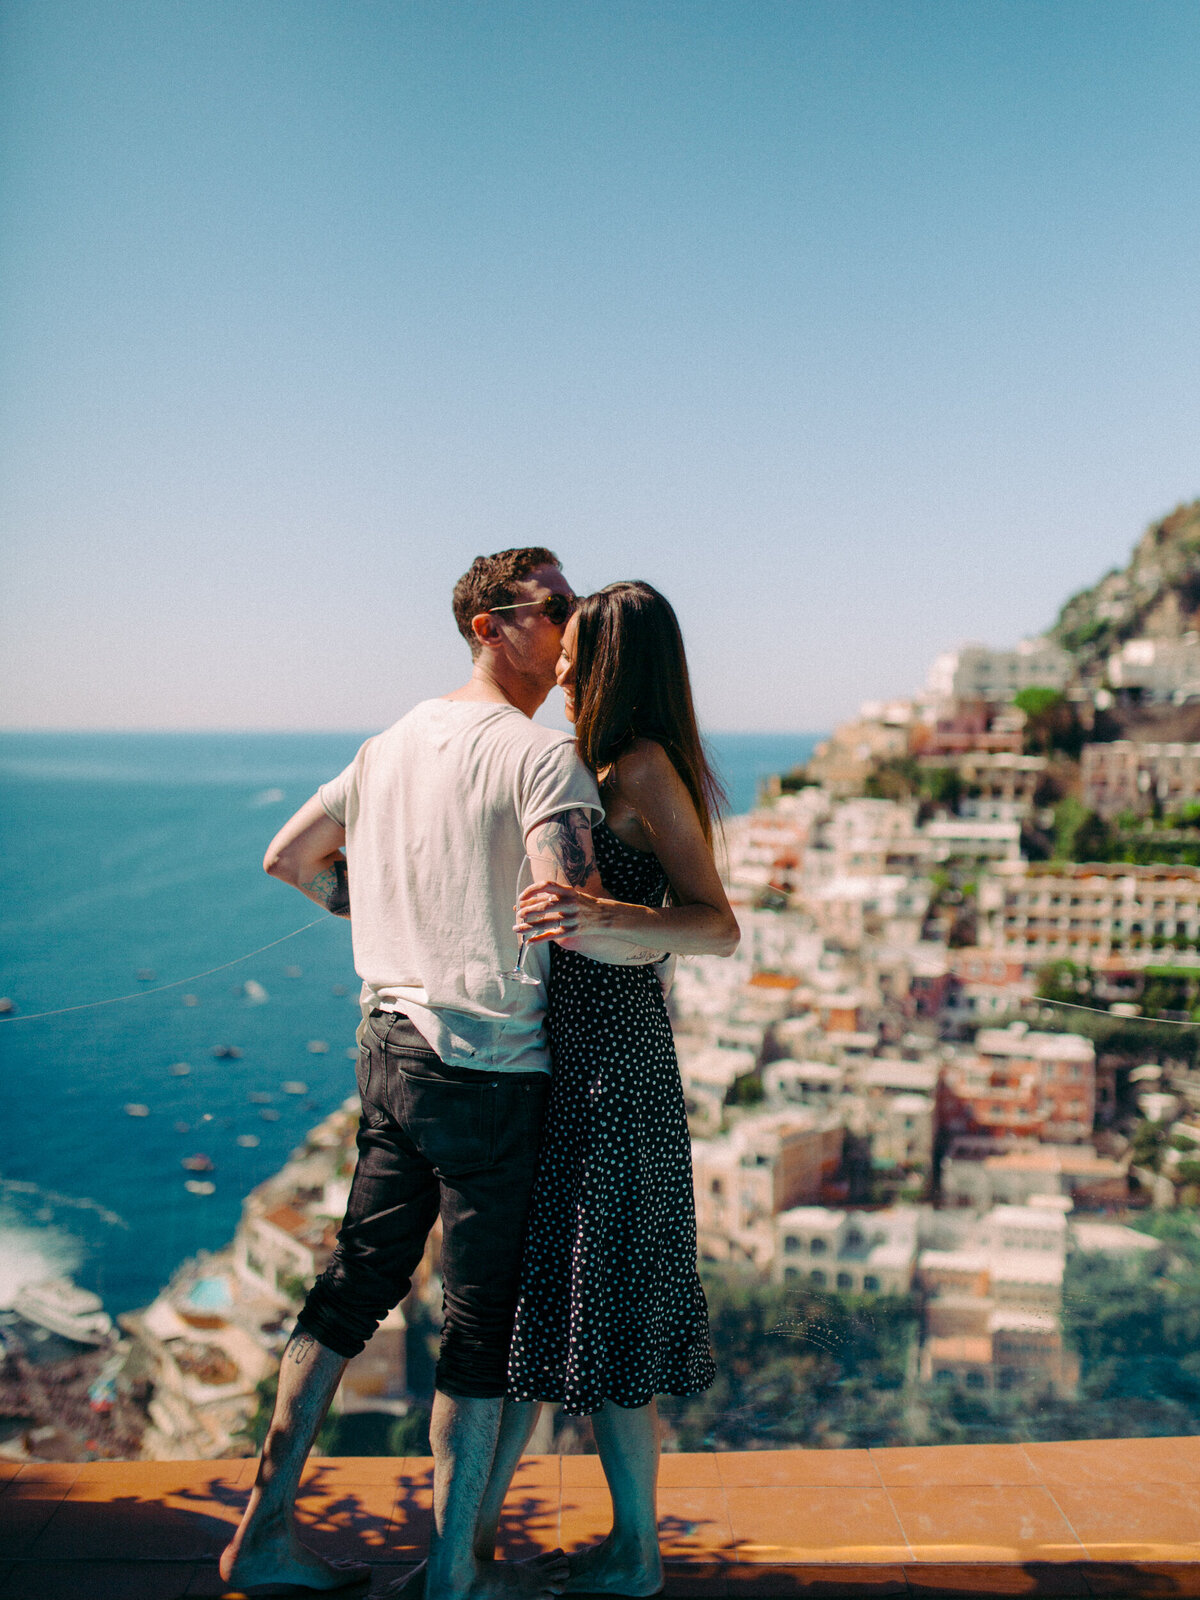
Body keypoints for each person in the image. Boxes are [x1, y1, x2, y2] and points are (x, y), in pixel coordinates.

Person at [220, 549, 658, 1600]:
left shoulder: (389, 745)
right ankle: (455, 1572)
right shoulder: (540, 758)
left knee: (350, 1292)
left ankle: (261, 1537)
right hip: (492, 1069)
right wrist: (661, 931)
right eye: (551, 608)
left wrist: (390, 915)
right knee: (483, 1327)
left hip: (386, 1051)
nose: (567, 628)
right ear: (486, 623)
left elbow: (288, 857)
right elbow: (572, 914)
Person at [476, 581, 740, 1598]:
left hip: (616, 1068)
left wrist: (599, 914)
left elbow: (717, 922)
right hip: (563, 1062)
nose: (564, 665)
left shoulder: (641, 767)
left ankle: (624, 1554)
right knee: (564, 1310)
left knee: (602, 1311)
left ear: (619, 662)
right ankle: (547, 1547)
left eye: (581, 651)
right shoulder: (577, 765)